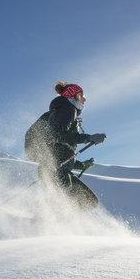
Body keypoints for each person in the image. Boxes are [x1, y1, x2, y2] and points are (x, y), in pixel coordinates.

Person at [24, 81, 106, 209]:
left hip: (52, 169)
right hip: (56, 171)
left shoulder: (63, 110)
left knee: (88, 201)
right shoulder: (67, 109)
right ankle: (48, 217)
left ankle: (43, 215)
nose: (84, 100)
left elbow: (63, 154)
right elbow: (57, 135)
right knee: (82, 201)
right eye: (81, 96)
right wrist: (88, 138)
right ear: (72, 96)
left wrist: (82, 165)